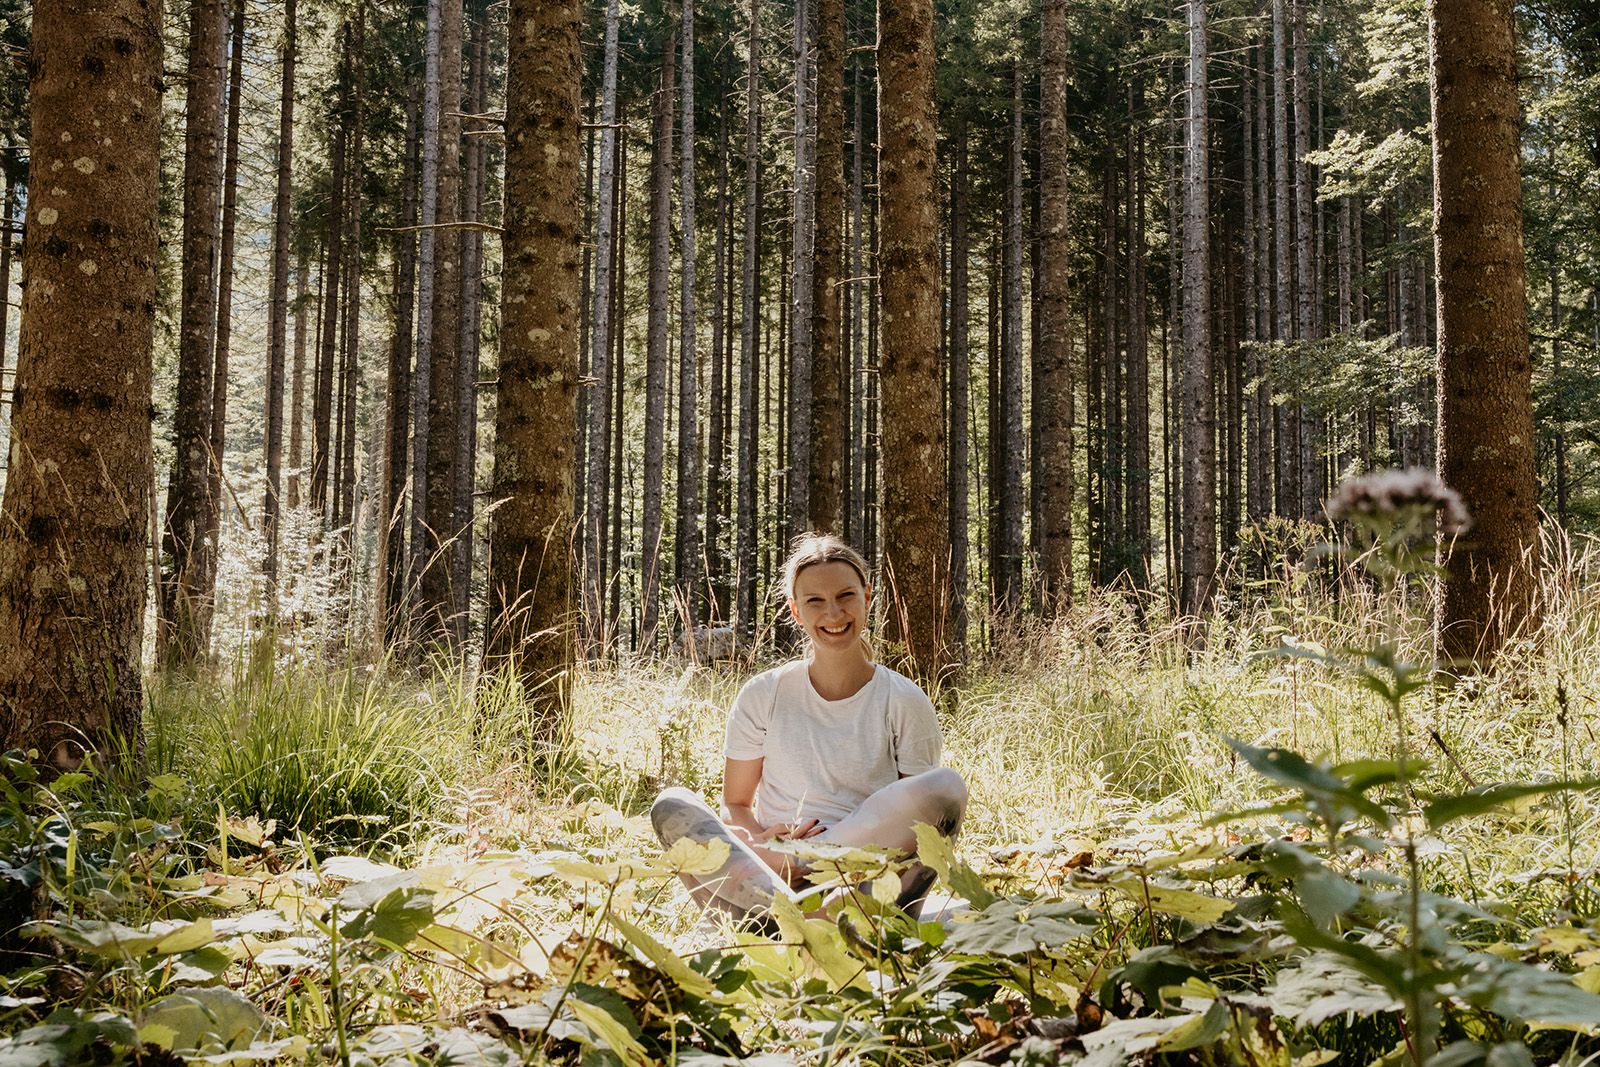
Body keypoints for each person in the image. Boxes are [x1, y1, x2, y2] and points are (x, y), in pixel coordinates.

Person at [651, 533, 969, 923]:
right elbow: (735, 805)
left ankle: (807, 923)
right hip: (769, 877)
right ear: (796, 610)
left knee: (947, 787)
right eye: (815, 601)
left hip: (861, 883)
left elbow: (918, 826)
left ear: (867, 599)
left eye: (846, 596)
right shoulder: (763, 693)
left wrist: (819, 860)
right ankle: (797, 921)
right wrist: (762, 846)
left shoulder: (903, 700)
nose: (833, 613)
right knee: (671, 805)